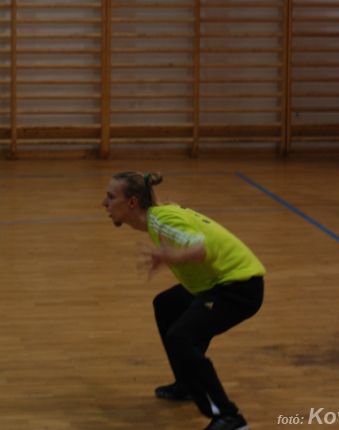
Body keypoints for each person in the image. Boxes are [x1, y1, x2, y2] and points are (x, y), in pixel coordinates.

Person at [102, 171, 265, 430]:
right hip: (215, 283)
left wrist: (169, 257)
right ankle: (187, 383)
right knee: (167, 305)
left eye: (111, 197)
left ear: (132, 202)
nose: (104, 203)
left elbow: (199, 249)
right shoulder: (158, 217)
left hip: (238, 287)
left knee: (181, 337)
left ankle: (228, 416)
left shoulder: (161, 221)